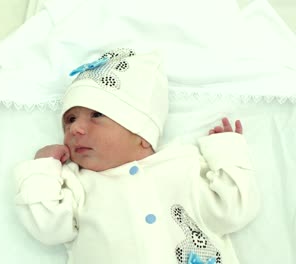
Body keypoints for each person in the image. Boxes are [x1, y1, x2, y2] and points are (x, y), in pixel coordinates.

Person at [14, 48, 260, 264]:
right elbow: (48, 228)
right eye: (69, 119)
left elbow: (234, 209)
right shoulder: (78, 183)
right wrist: (42, 170)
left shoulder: (182, 166)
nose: (75, 129)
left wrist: (226, 151)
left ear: (142, 133)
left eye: (97, 115)